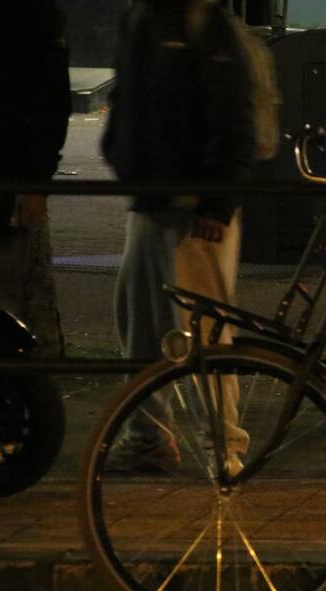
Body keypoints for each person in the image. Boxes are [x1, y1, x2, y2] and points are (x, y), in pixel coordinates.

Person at [102, 0, 257, 472]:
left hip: (188, 206)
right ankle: (150, 439)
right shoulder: (153, 18)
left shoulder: (202, 25)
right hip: (154, 199)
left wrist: (216, 200)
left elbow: (233, 116)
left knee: (203, 331)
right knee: (142, 324)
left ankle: (223, 448)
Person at [0, 1, 71, 358]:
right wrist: (37, 182)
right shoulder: (38, 17)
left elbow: (50, 102)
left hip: (4, 177)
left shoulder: (34, 17)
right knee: (10, 300)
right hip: (7, 175)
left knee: (7, 297)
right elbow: (51, 102)